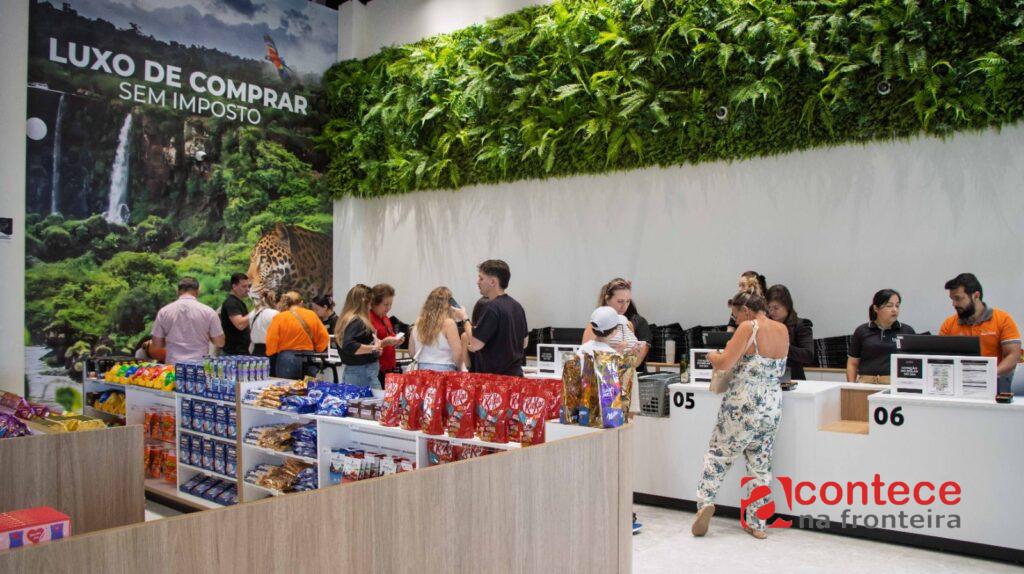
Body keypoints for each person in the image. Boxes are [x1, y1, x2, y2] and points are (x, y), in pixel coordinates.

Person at [692, 291, 788, 540]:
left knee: (719, 454)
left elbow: (724, 362)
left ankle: (705, 504)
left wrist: (711, 356)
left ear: (746, 310)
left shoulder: (749, 327)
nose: (734, 321)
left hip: (744, 400)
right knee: (760, 464)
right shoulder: (782, 329)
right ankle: (758, 523)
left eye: (735, 315)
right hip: (773, 401)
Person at [939, 273, 1021, 394]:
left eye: (958, 298)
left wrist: (988, 376)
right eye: (952, 299)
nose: (954, 304)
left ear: (976, 296)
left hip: (994, 385)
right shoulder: (949, 324)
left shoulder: (1003, 319)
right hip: (958, 387)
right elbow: (939, 357)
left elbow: (1014, 355)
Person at [461, 260, 529, 377]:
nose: (478, 282)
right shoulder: (517, 306)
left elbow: (476, 344)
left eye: (481, 278)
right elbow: (524, 342)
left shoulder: (492, 308)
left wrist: (464, 318)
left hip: (496, 380)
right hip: (516, 377)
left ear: (493, 282)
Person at [846, 289, 915, 383]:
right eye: (889, 306)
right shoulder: (862, 331)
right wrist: (851, 386)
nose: (894, 310)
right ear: (876, 308)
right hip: (866, 383)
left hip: (895, 383)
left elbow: (915, 364)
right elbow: (853, 363)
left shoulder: (907, 331)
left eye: (897, 306)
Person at [151, 277, 225, 365]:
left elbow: (156, 344)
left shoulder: (164, 312)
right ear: (198, 291)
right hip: (199, 366)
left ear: (177, 291)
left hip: (173, 365)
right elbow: (220, 342)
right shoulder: (209, 312)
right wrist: (208, 335)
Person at [581, 278, 649, 369]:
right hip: (607, 376)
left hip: (626, 375)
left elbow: (631, 364)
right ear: (607, 299)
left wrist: (633, 355)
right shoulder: (597, 324)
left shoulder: (628, 324)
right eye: (620, 301)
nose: (624, 306)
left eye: (628, 301)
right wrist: (617, 353)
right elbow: (587, 362)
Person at [265, 291, 330, 379]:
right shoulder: (311, 315)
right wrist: (318, 349)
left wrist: (272, 352)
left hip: (286, 359)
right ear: (301, 303)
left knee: (286, 386)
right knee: (308, 386)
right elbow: (324, 337)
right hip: (309, 358)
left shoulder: (280, 317)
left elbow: (271, 340)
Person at [336, 284, 384, 388]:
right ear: (364, 302)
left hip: (356, 372)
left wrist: (374, 349)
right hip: (363, 374)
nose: (370, 307)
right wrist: (373, 348)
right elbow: (349, 345)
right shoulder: (357, 321)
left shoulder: (347, 320)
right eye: (370, 303)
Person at [409, 287, 466, 372]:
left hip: (420, 370)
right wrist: (461, 368)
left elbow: (411, 351)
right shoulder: (449, 323)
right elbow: (458, 355)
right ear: (449, 304)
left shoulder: (418, 322)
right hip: (444, 370)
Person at [766, 284, 814, 381]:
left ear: (787, 306)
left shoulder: (801, 325)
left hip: (794, 379)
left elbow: (808, 355)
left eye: (776, 308)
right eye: (769, 308)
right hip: (768, 379)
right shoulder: (766, 325)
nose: (771, 312)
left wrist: (782, 347)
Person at [369, 284, 403, 385]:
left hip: (389, 368)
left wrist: (397, 341)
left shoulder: (385, 318)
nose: (389, 308)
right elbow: (368, 346)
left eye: (390, 304)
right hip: (376, 369)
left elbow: (390, 336)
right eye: (386, 304)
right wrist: (384, 343)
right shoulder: (368, 319)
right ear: (375, 303)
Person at [220, 273, 251, 356]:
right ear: (234, 286)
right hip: (233, 354)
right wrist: (257, 311)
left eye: (248, 286)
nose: (248, 289)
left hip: (239, 352)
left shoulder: (238, 302)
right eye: (244, 286)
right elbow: (240, 324)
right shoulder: (231, 303)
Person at [247, 291, 279, 357]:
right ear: (273, 301)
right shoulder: (275, 313)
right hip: (271, 351)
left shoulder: (252, 313)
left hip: (255, 350)